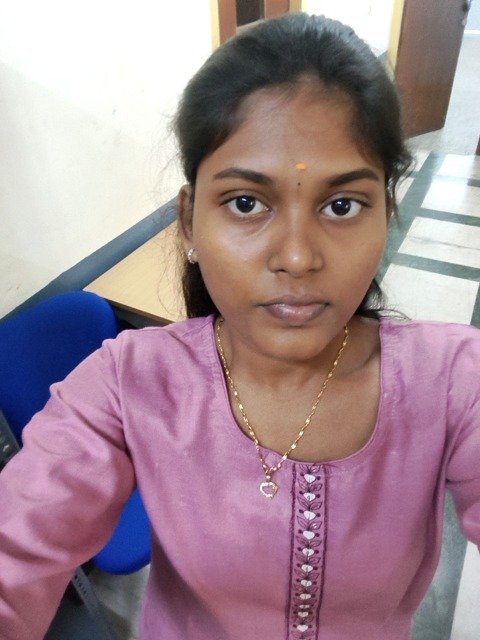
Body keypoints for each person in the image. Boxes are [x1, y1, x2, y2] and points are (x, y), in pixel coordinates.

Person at [0, 12, 479, 640]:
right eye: (246, 203)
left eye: (342, 205)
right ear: (190, 222)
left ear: (385, 215)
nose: (298, 257)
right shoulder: (126, 386)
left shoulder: (455, 382)